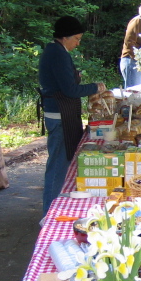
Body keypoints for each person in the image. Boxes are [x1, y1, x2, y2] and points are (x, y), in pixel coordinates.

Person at [39, 16, 106, 215]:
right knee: (58, 166)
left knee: (62, 163)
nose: (78, 43)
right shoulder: (57, 54)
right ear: (65, 36)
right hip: (59, 115)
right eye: (76, 38)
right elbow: (69, 89)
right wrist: (95, 87)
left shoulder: (56, 51)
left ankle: (54, 206)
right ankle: (49, 213)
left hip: (61, 113)